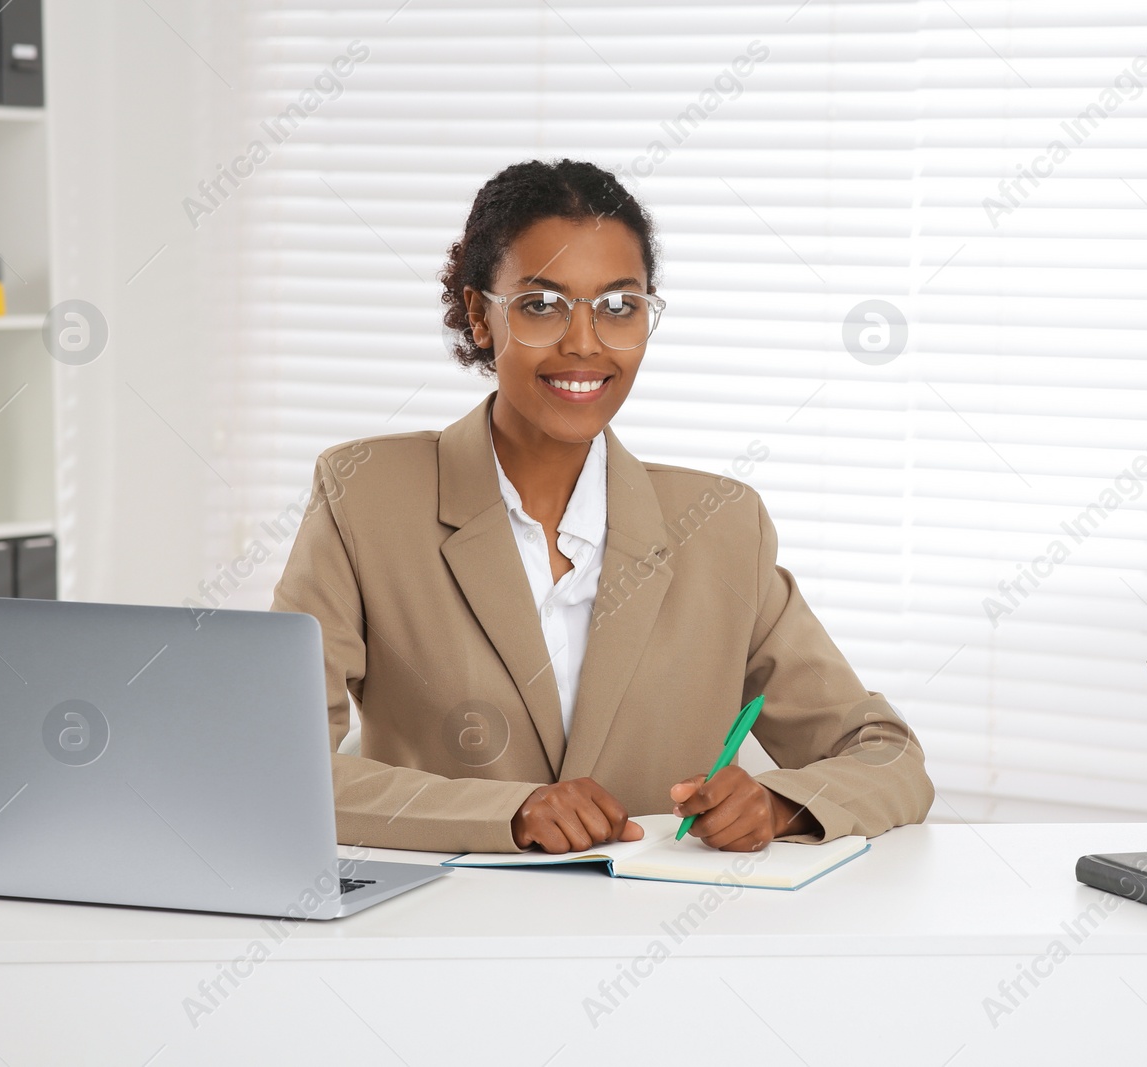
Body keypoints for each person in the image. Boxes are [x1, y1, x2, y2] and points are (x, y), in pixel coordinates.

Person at [271, 158, 934, 855]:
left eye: (620, 307)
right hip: (440, 938)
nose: (585, 343)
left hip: (658, 937)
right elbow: (277, 771)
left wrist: (781, 804)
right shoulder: (365, 497)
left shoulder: (722, 524)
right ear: (480, 316)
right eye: (541, 305)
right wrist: (508, 814)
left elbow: (885, 754)